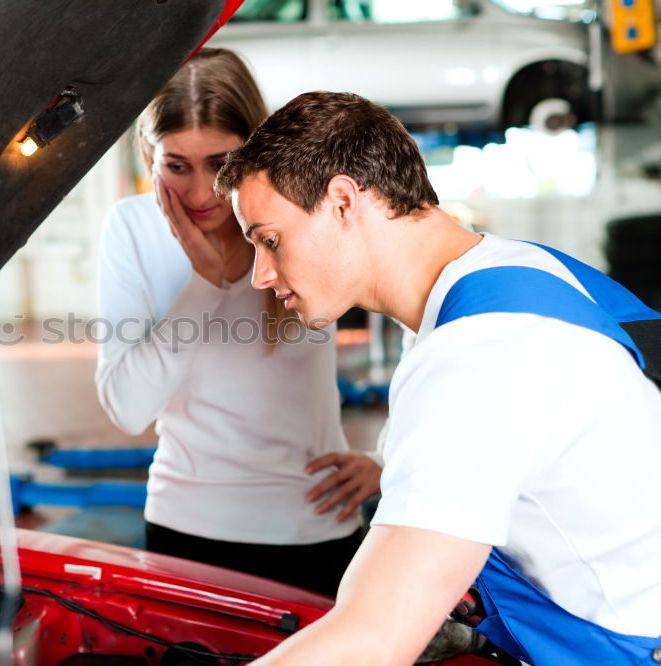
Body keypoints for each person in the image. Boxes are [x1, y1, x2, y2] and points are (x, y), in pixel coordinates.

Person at [215, 91, 661, 664]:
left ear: (344, 201)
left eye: (269, 239)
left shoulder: (477, 354)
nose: (260, 274)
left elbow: (373, 638)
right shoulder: (510, 269)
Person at [94, 49, 382, 597]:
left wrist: (389, 457)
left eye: (221, 164)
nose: (202, 193)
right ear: (148, 155)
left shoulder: (313, 213)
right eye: (176, 166)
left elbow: (425, 322)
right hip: (187, 526)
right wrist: (206, 281)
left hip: (314, 525)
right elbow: (127, 409)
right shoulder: (132, 227)